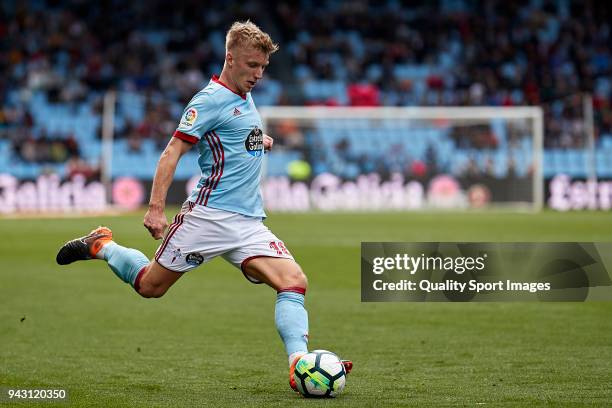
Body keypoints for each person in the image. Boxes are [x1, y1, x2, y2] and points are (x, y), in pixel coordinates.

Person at [56, 20, 351, 393]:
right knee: (150, 286)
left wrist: (259, 140)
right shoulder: (208, 100)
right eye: (251, 66)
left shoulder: (244, 94)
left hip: (248, 222)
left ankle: (300, 365)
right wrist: (155, 208)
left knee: (293, 282)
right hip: (207, 218)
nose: (258, 75)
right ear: (230, 58)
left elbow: (234, 134)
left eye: (263, 67)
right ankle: (102, 244)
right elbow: (173, 151)